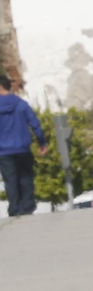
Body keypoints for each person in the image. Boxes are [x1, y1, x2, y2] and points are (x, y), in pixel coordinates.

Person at [0, 72, 48, 217]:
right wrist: (42, 142)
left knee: (10, 180)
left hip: (3, 151)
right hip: (22, 148)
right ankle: (27, 206)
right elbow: (34, 123)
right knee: (26, 178)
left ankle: (14, 208)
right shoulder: (21, 104)